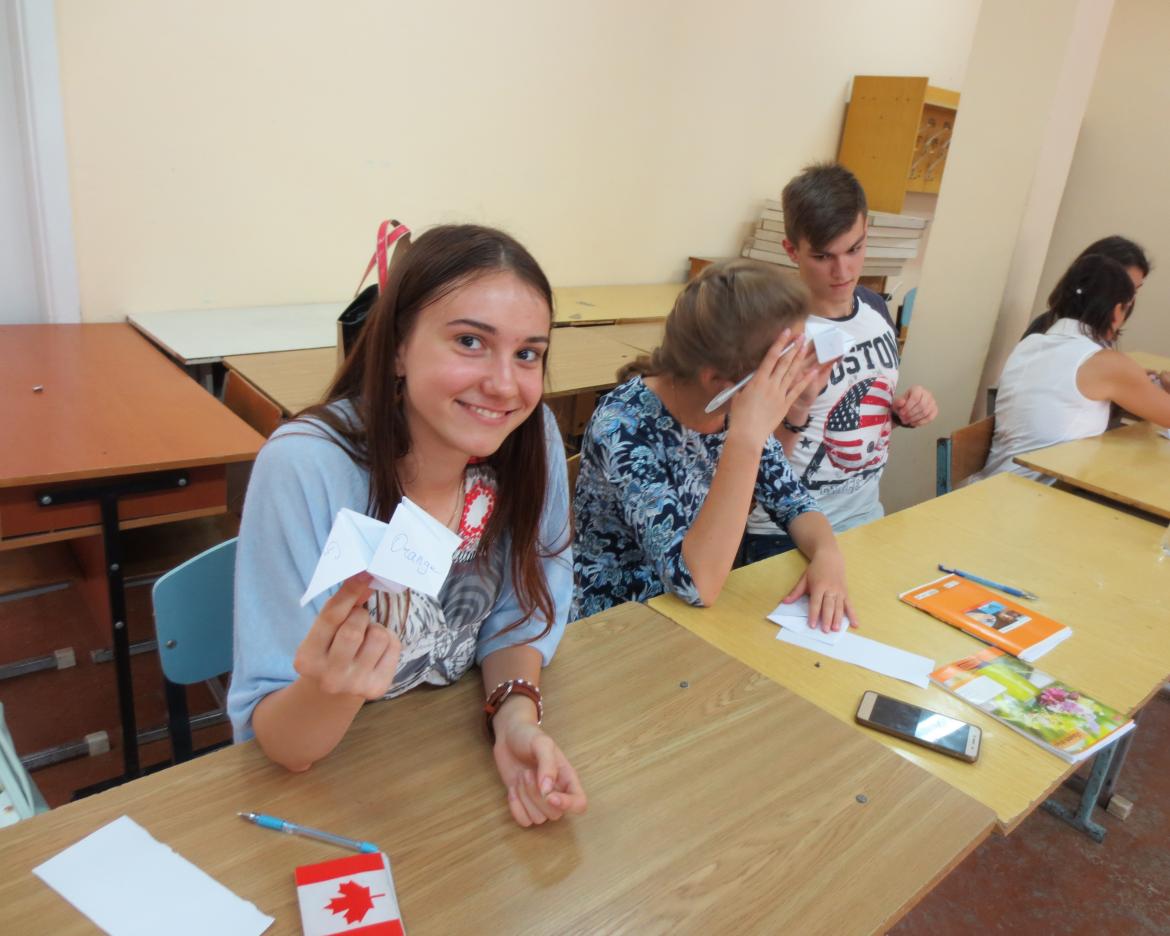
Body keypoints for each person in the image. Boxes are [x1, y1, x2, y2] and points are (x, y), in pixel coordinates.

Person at [228, 224, 587, 828]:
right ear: (398, 347)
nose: (505, 384)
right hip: (337, 792)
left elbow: (519, 613)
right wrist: (334, 687)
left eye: (528, 353)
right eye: (470, 341)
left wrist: (515, 719)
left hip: (449, 776)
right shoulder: (305, 467)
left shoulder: (531, 439)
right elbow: (285, 745)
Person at [573, 258, 858, 633]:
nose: (796, 373)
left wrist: (827, 555)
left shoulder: (733, 411)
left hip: (701, 618)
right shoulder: (623, 426)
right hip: (619, 624)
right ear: (719, 381)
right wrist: (747, 438)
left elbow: (795, 504)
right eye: (783, 364)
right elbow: (696, 583)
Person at [742, 163, 938, 563]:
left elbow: (853, 412)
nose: (843, 271)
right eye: (822, 256)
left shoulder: (875, 308)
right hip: (784, 533)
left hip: (865, 516)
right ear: (792, 251)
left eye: (854, 249)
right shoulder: (775, 333)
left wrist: (900, 412)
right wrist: (797, 408)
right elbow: (749, 456)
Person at [975, 251, 1170, 482]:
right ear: (1117, 310)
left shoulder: (1032, 342)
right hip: (1038, 491)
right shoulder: (1106, 364)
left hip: (993, 481)